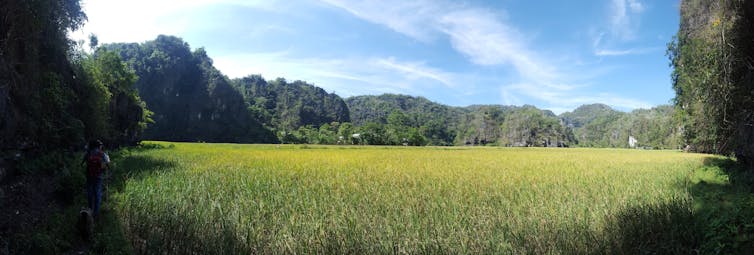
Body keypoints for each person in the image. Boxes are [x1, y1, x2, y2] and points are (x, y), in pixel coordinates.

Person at [81, 140, 110, 218]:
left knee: (90, 193)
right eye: (100, 145)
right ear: (98, 146)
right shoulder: (101, 153)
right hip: (98, 176)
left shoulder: (88, 153)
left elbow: (82, 163)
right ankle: (96, 213)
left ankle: (90, 210)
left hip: (89, 176)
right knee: (97, 193)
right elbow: (107, 162)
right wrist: (106, 166)